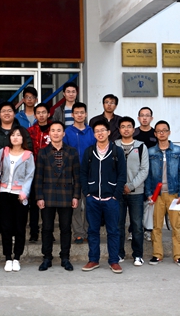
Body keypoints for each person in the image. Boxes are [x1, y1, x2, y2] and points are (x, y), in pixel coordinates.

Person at [80, 118, 127, 274]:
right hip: (93, 199)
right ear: (94, 134)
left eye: (102, 130)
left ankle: (114, 261)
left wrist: (116, 195)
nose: (100, 133)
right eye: (97, 131)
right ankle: (93, 259)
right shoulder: (89, 151)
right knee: (93, 231)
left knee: (113, 231)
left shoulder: (117, 151)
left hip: (111, 200)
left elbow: (122, 175)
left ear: (108, 132)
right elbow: (83, 173)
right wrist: (87, 193)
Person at [0, 101, 33, 243]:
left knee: (14, 210)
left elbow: (28, 148)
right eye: (3, 111)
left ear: (14, 113)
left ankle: (12, 234)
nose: (6, 113)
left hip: (17, 177)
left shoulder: (22, 131)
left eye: (10, 111)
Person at [35, 121, 80, 272]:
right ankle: (47, 257)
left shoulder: (72, 152)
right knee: (47, 228)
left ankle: (65, 257)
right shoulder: (43, 152)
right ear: (49, 134)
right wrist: (39, 197)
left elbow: (77, 177)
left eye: (59, 130)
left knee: (65, 228)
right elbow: (38, 177)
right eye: (53, 130)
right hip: (47, 195)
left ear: (63, 133)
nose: (55, 133)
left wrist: (76, 196)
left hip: (66, 195)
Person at [146, 120, 180, 267]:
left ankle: (179, 256)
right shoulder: (150, 151)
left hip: (174, 194)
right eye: (159, 131)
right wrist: (148, 193)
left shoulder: (178, 150)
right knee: (156, 226)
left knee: (177, 226)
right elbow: (147, 174)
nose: (162, 133)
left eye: (164, 130)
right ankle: (157, 255)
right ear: (155, 134)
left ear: (169, 132)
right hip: (157, 195)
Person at [0, 127, 35, 272]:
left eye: (18, 135)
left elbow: (29, 176)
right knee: (5, 227)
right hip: (4, 193)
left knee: (19, 227)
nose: (15, 137)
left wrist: (25, 192)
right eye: (13, 135)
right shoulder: (3, 152)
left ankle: (17, 257)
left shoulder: (28, 155)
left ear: (23, 138)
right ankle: (7, 258)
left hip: (20, 195)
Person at [116, 116, 149, 267]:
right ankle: (119, 253)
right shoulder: (114, 145)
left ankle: (138, 255)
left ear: (134, 129)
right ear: (119, 130)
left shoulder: (141, 146)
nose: (126, 129)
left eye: (129, 126)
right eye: (123, 127)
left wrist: (131, 185)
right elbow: (111, 168)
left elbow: (144, 170)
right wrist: (120, 186)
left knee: (136, 225)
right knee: (118, 224)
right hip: (118, 192)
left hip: (136, 192)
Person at [63, 102, 95, 244]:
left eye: (82, 112)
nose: (79, 115)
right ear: (72, 115)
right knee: (75, 204)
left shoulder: (92, 132)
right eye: (77, 113)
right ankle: (78, 233)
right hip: (72, 174)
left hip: (89, 173)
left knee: (90, 204)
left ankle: (89, 231)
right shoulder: (67, 132)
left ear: (86, 114)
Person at [26, 102, 52, 242]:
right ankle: (34, 232)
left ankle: (49, 232)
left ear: (48, 114)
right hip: (34, 170)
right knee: (34, 202)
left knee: (49, 203)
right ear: (35, 115)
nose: (41, 115)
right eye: (38, 113)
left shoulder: (54, 129)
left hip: (51, 171)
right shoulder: (30, 131)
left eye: (44, 112)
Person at [133, 106, 157, 242]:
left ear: (151, 118)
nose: (144, 118)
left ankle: (148, 230)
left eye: (147, 115)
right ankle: (133, 229)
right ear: (138, 118)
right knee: (136, 202)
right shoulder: (134, 133)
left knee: (149, 202)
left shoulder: (156, 133)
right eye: (142, 115)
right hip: (136, 173)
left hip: (152, 173)